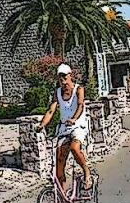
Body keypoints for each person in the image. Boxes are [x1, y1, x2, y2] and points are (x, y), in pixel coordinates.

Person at [36, 63, 93, 191]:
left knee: (74, 147)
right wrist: (42, 125)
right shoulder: (57, 92)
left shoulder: (79, 89)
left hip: (78, 126)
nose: (62, 80)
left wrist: (74, 119)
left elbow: (80, 105)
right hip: (64, 128)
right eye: (60, 77)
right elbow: (51, 111)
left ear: (70, 75)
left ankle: (86, 171)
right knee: (59, 160)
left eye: (64, 76)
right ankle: (61, 195)